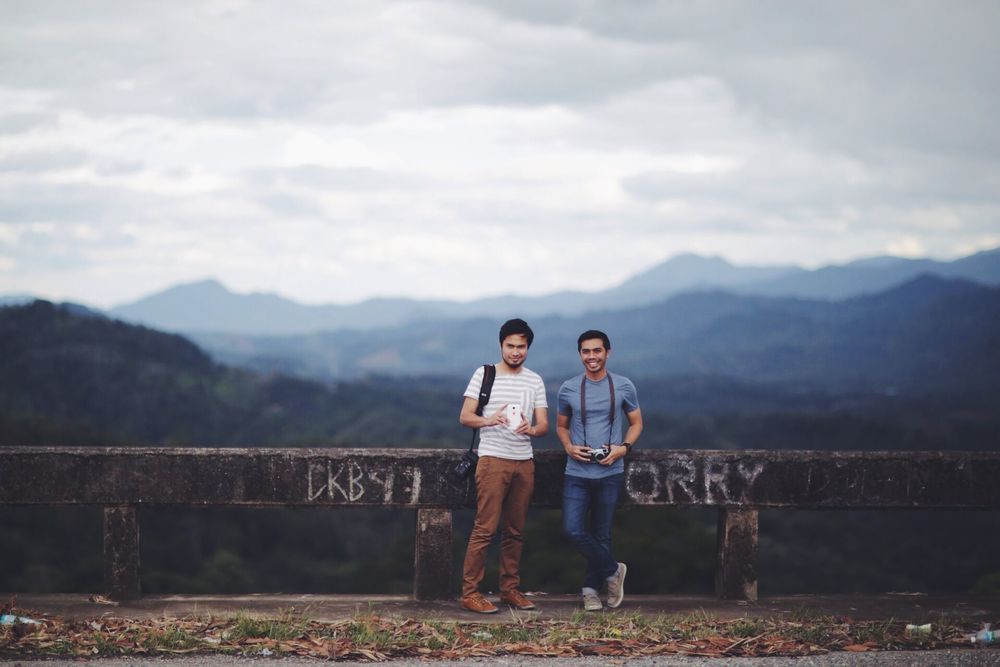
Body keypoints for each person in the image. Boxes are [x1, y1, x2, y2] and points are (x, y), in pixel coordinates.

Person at [459, 318, 549, 614]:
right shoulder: (484, 374)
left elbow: (544, 424)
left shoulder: (534, 380)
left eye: (521, 346)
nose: (515, 352)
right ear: (501, 345)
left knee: (515, 530)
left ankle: (509, 590)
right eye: (510, 345)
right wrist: (490, 419)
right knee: (484, 528)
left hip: (524, 460)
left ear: (528, 348)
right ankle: (470, 593)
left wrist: (531, 429)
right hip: (493, 459)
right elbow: (465, 416)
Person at [557, 329, 643, 611]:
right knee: (573, 529)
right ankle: (613, 570)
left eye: (597, 351)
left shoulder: (624, 385)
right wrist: (569, 447)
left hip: (610, 472)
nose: (591, 356)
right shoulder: (568, 387)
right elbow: (561, 426)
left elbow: (636, 423)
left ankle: (590, 591)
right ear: (579, 354)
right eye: (586, 351)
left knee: (602, 534)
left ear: (608, 352)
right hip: (576, 472)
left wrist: (623, 448)